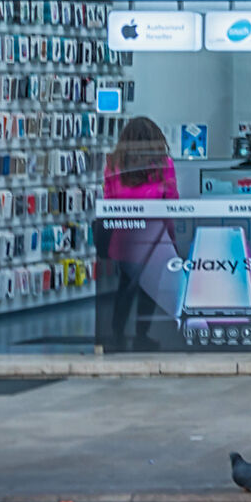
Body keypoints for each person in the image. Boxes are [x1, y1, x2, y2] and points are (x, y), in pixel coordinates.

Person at [103, 117, 178, 351]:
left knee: (125, 287)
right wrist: (173, 237)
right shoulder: (163, 164)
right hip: (154, 237)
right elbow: (172, 201)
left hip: (124, 237)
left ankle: (116, 335)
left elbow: (109, 201)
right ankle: (141, 335)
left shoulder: (113, 164)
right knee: (150, 289)